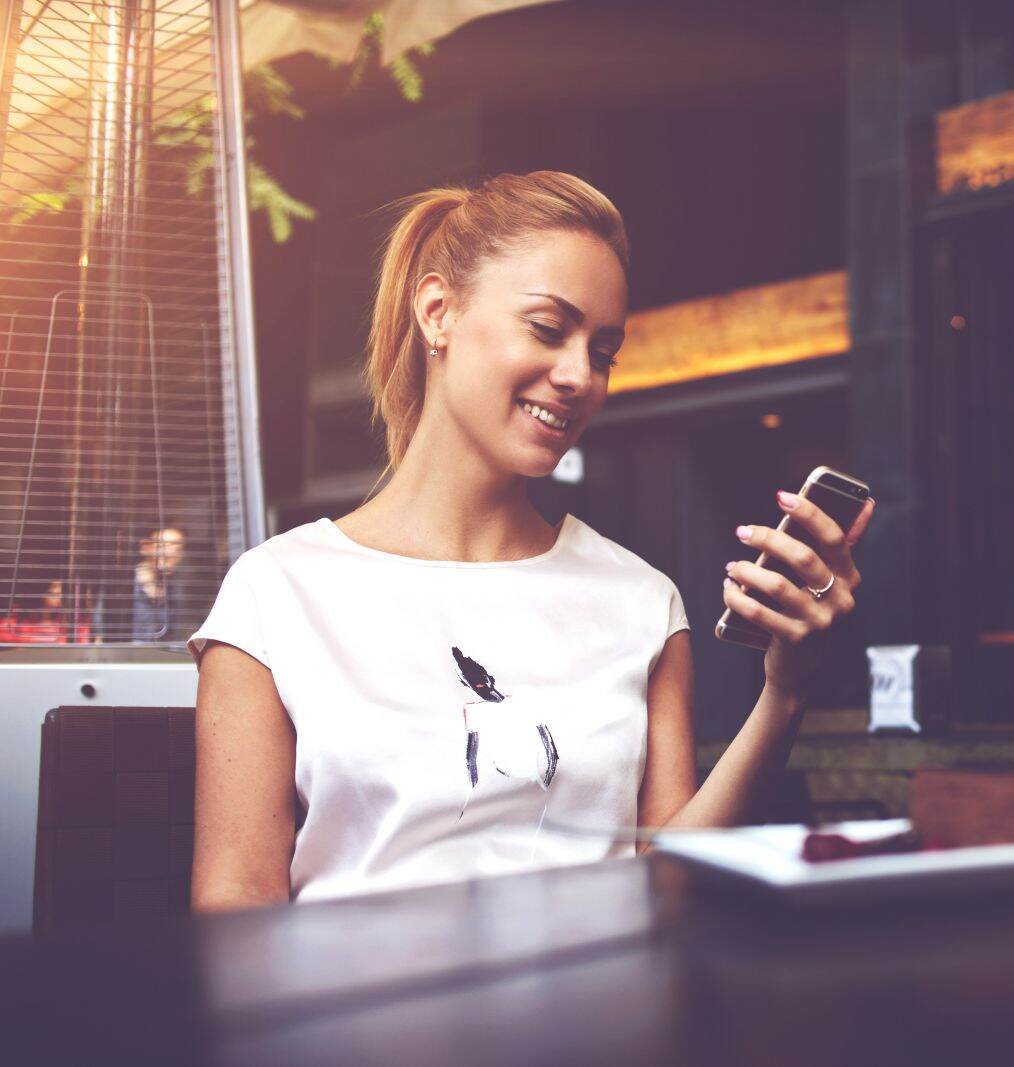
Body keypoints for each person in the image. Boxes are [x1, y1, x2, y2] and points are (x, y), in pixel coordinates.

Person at [186, 171, 873, 911]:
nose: (580, 375)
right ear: (439, 311)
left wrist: (785, 691)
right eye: (549, 329)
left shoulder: (642, 601)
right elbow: (236, 915)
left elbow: (667, 890)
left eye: (604, 352)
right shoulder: (275, 594)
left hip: (603, 1017)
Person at [132, 525, 187, 640]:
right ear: (145, 547)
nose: (172, 553)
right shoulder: (121, 587)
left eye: (178, 548)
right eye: (166, 546)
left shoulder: (173, 590)